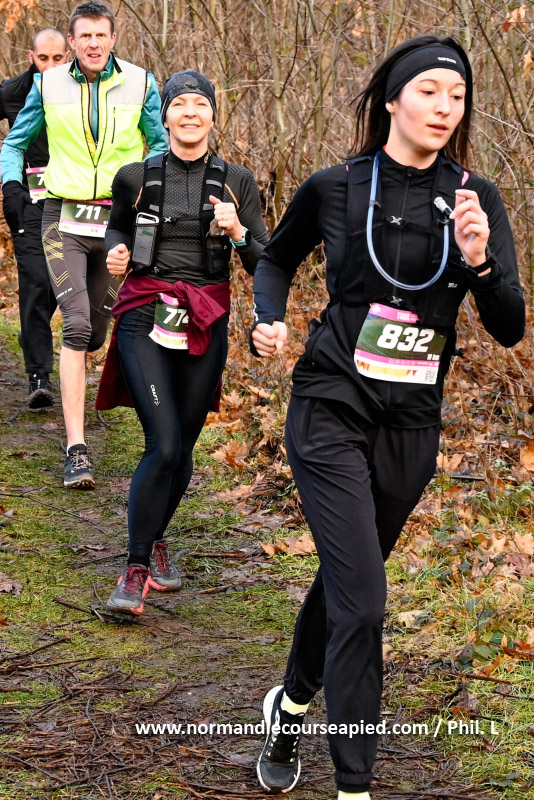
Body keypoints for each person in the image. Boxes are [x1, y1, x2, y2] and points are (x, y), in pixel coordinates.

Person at [250, 36, 525, 799]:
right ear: (393, 99)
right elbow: (276, 258)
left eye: (458, 96)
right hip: (330, 405)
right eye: (430, 91)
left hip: (411, 424)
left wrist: (480, 262)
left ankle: (289, 705)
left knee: (351, 583)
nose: (445, 107)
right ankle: (355, 783)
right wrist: (268, 317)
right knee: (366, 602)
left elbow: (509, 326)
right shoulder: (336, 186)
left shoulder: (475, 198)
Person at [95, 70, 269, 615]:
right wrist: (116, 252)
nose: (190, 113)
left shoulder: (237, 181)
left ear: (213, 116)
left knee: (184, 448)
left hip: (205, 318)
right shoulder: (135, 176)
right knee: (164, 444)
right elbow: (117, 228)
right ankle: (135, 569)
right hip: (144, 312)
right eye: (179, 104)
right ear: (165, 115)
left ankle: (156, 539)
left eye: (200, 104)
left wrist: (238, 231)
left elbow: (265, 262)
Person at [0, 2, 168, 488]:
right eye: (85, 36)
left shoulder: (141, 83)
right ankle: (76, 449)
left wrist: (146, 190)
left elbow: (159, 145)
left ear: (113, 38)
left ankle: (84, 345)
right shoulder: (48, 84)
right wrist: (11, 186)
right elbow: (14, 143)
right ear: (71, 42)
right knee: (75, 326)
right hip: (64, 216)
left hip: (117, 220)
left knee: (95, 331)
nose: (93, 44)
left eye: (101, 35)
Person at [0, 28, 68, 410]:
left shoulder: (81, 91)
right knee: (36, 281)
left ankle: (31, 332)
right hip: (27, 201)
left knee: (60, 284)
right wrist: (10, 186)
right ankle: (39, 377)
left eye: (58, 59)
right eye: (43, 59)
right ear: (31, 56)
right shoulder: (13, 92)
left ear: (68, 57)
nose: (51, 66)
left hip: (71, 200)